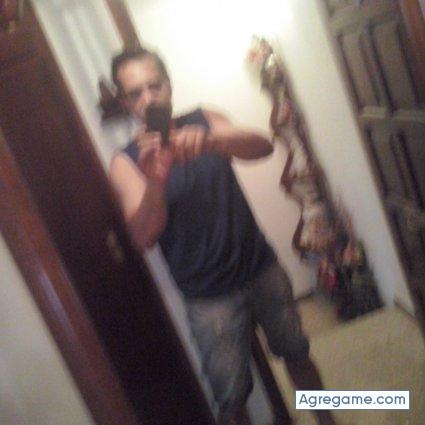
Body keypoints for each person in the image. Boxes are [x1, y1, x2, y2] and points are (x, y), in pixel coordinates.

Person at [109, 47, 335, 425]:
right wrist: (156, 180)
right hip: (209, 297)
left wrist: (212, 141)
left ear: (168, 85)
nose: (148, 98)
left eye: (154, 85)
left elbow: (263, 145)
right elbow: (144, 236)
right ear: (125, 103)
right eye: (135, 93)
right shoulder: (126, 162)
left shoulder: (204, 119)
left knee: (297, 352)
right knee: (231, 398)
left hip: (260, 268)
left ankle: (327, 421)